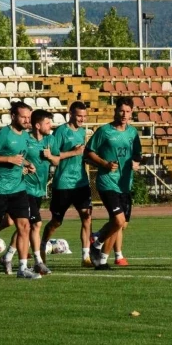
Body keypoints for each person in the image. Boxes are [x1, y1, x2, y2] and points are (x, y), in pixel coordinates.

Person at [0, 101, 40, 279]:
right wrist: (8, 160)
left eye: (29, 117)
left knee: (24, 226)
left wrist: (28, 164)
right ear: (13, 116)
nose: (27, 120)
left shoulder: (25, 136)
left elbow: (19, 158)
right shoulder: (4, 134)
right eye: (23, 117)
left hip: (18, 188)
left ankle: (23, 269)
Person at [0, 109, 58, 275]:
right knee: (36, 224)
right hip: (24, 188)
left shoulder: (50, 140)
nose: (50, 125)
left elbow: (57, 160)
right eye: (47, 123)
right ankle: (38, 261)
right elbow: (16, 156)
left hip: (39, 189)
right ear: (38, 125)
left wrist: (50, 157)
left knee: (24, 226)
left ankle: (7, 256)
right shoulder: (26, 139)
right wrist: (24, 166)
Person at [87, 97, 142, 270]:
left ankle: (102, 259)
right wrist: (104, 164)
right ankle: (97, 243)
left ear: (131, 113)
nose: (124, 114)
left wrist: (136, 163)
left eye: (128, 111)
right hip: (107, 182)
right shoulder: (104, 131)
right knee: (118, 221)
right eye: (121, 111)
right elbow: (88, 152)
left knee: (120, 224)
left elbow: (137, 154)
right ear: (115, 110)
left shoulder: (133, 133)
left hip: (124, 183)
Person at [40, 101, 93, 267]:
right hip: (63, 183)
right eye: (79, 116)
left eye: (84, 116)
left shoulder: (82, 131)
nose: (82, 119)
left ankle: (86, 257)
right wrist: (74, 152)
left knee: (87, 217)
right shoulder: (61, 131)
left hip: (81, 182)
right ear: (70, 114)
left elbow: (82, 154)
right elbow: (53, 157)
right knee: (56, 222)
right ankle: (42, 246)